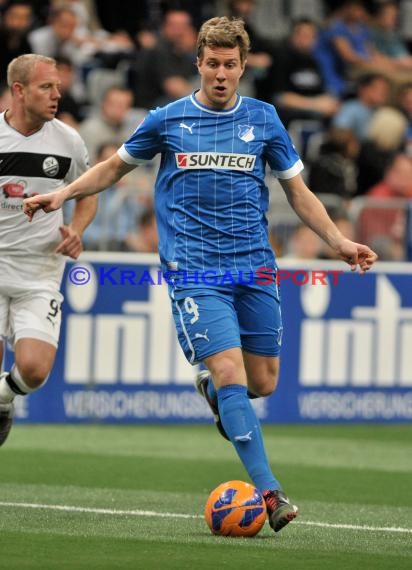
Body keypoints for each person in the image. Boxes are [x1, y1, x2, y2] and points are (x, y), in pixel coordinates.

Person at [23, 17, 378, 534]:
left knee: (263, 381)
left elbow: (298, 193)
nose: (220, 73)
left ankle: (213, 393)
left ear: (242, 67)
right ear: (199, 64)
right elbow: (114, 168)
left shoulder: (264, 119)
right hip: (194, 272)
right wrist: (64, 193)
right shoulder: (168, 119)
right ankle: (270, 493)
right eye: (212, 63)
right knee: (233, 373)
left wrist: (340, 243)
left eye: (230, 65)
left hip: (255, 267)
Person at [0, 54, 97, 446]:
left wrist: (75, 229)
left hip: (40, 271)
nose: (58, 94)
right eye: (46, 87)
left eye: (57, 86)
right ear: (19, 91)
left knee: (35, 370)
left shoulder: (68, 140)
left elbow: (88, 194)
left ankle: (4, 399)